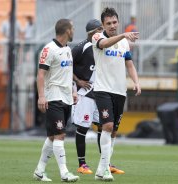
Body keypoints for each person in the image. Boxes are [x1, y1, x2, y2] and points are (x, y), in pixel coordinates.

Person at [91, 7, 141, 181]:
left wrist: (136, 81)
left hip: (120, 91)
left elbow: (129, 64)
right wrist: (124, 35)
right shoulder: (97, 37)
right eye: (108, 23)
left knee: (113, 132)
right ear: (103, 25)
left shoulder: (124, 43)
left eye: (114, 22)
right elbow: (104, 44)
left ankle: (101, 168)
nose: (112, 25)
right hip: (103, 90)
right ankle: (105, 169)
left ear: (118, 22)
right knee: (107, 126)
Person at [72, 19, 125, 175]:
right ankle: (82, 164)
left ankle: (106, 164)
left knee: (104, 126)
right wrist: (77, 81)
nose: (102, 31)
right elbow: (67, 64)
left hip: (101, 92)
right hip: (86, 94)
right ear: (92, 32)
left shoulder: (104, 45)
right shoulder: (81, 48)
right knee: (83, 126)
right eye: (99, 29)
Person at [33, 19, 79, 182]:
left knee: (53, 136)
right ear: (67, 31)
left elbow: (68, 73)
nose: (74, 30)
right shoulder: (48, 49)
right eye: (72, 28)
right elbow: (40, 75)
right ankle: (64, 173)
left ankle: (39, 171)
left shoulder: (67, 49)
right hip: (53, 97)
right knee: (60, 135)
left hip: (66, 97)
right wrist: (42, 96)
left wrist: (73, 91)